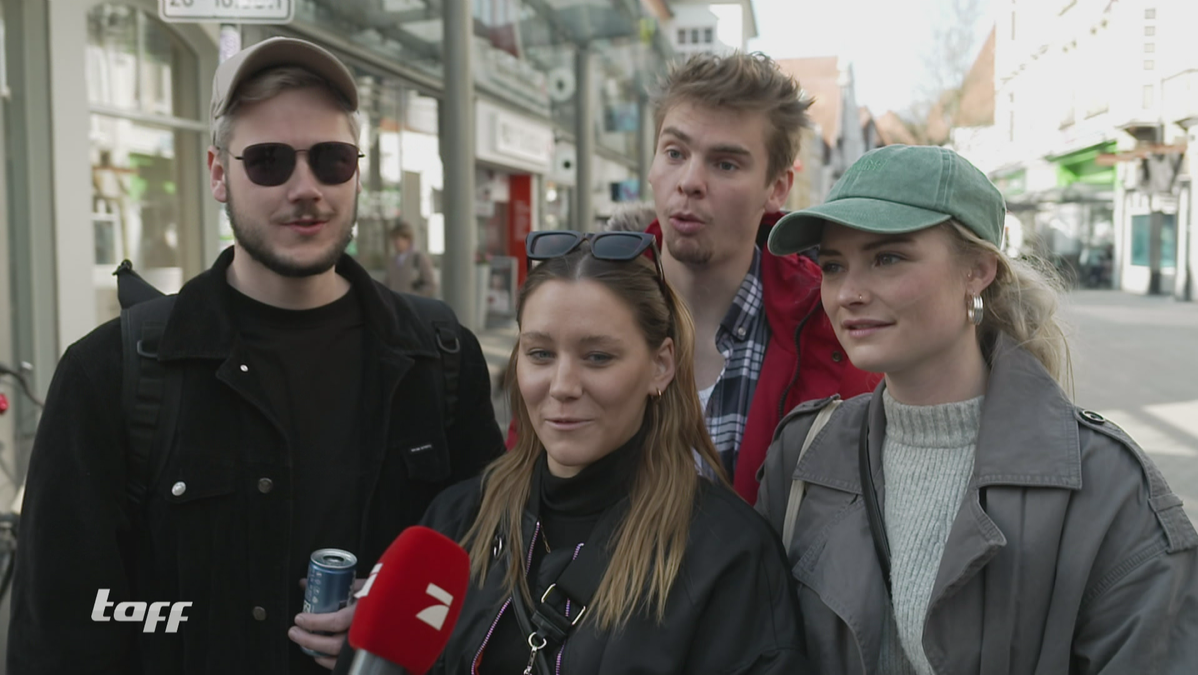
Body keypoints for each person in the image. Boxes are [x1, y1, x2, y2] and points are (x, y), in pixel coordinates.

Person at [9, 37, 504, 674]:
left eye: (331, 160)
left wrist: (400, 624)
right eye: (268, 161)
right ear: (218, 173)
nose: (306, 189)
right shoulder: (110, 374)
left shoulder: (440, 357)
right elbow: (60, 635)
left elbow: (496, 571)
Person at [756, 145, 1198, 674]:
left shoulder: (1109, 488)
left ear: (978, 270)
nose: (848, 292)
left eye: (887, 258)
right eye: (832, 265)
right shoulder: (805, 455)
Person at [408, 231, 806, 674]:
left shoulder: (729, 558)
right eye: (540, 353)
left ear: (662, 365)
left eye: (597, 357)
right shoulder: (458, 521)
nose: (562, 386)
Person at [643, 52, 879, 500]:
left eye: (725, 164)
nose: (690, 181)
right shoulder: (586, 305)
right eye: (674, 152)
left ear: (777, 188)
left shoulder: (838, 326)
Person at [384, 219, 438, 297]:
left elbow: (431, 285)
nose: (396, 242)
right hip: (395, 305)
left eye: (399, 239)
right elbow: (387, 283)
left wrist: (416, 297)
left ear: (408, 239)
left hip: (413, 305)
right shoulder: (393, 261)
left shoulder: (419, 258)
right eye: (394, 239)